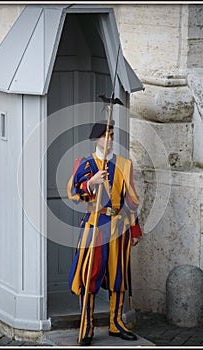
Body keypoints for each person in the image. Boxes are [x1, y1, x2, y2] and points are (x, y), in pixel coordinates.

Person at [67, 119, 142, 346]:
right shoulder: (85, 163)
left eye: (111, 135)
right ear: (95, 139)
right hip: (94, 225)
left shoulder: (124, 164)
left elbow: (131, 201)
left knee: (118, 275)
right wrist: (91, 183)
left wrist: (135, 229)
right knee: (89, 275)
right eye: (104, 135)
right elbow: (73, 192)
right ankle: (86, 326)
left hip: (119, 227)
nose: (109, 140)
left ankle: (116, 323)